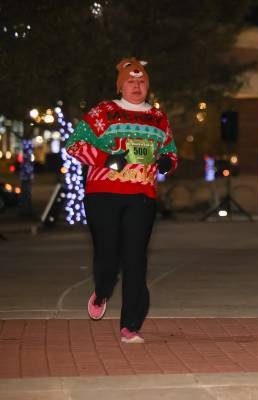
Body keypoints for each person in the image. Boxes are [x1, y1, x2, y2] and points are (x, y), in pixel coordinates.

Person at [66, 57, 177, 343]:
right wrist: (106, 159)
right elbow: (74, 145)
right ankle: (102, 290)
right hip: (103, 194)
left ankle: (131, 324)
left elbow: (170, 152)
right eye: (130, 81)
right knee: (107, 256)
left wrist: (166, 162)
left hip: (141, 196)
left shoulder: (158, 117)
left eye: (142, 82)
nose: (136, 86)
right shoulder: (103, 111)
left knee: (135, 259)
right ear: (120, 86)